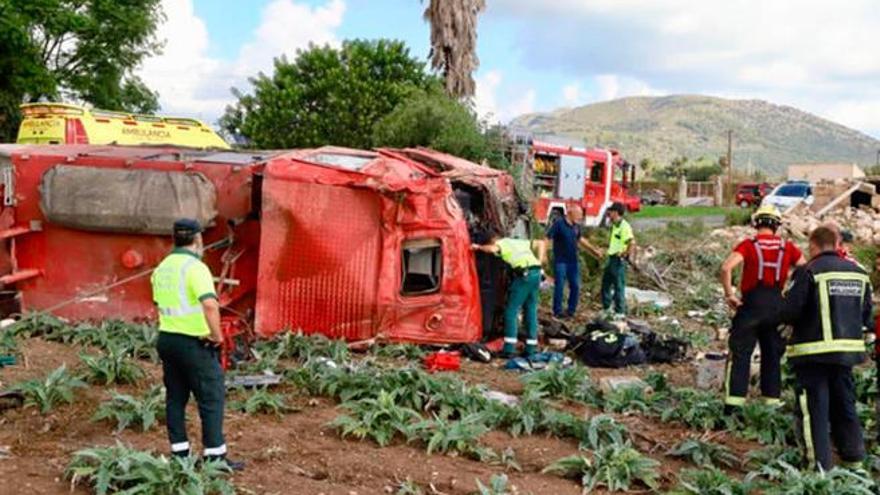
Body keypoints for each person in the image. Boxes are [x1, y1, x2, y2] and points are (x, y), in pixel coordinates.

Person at [151, 218, 243, 470]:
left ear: (175, 238)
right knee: (211, 398)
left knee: (175, 398)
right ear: (198, 240)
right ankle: (215, 458)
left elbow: (159, 304)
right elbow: (210, 304)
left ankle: (180, 455)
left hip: (167, 339)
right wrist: (217, 336)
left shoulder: (163, 267)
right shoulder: (195, 268)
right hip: (194, 342)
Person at [780, 226, 872, 470]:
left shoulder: (809, 271)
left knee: (815, 411)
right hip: (847, 355)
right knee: (845, 406)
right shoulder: (859, 273)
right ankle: (854, 462)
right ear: (837, 243)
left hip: (813, 354)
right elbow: (866, 315)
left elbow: (791, 310)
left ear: (813, 245)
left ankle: (818, 468)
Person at [719, 205, 805, 411]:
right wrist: (791, 298)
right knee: (772, 356)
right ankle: (770, 406)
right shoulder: (788, 247)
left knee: (740, 355)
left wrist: (730, 295)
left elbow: (725, 267)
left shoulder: (748, 245)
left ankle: (733, 407)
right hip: (777, 307)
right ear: (776, 225)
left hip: (750, 306)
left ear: (756, 223)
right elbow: (805, 270)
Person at [472, 231, 547, 357]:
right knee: (530, 310)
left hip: (525, 276)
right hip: (537, 274)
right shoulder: (517, 242)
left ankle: (509, 349)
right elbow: (541, 243)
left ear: (492, 239)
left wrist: (478, 247)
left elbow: (491, 249)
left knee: (511, 311)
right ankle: (531, 348)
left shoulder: (501, 243)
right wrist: (539, 261)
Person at [544, 206, 599, 319]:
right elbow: (547, 238)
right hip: (560, 261)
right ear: (570, 213)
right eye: (578, 214)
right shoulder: (559, 224)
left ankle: (571, 310)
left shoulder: (576, 226)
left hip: (573, 261)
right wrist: (544, 254)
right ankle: (557, 311)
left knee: (575, 285)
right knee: (559, 285)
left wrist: (594, 251)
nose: (580, 217)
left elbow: (580, 240)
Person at [600, 202, 635, 315]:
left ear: (616, 212)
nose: (609, 213)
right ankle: (607, 308)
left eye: (611, 211)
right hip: (611, 258)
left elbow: (632, 242)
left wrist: (625, 254)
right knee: (606, 284)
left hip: (618, 260)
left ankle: (620, 311)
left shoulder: (624, 226)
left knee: (618, 285)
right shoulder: (614, 225)